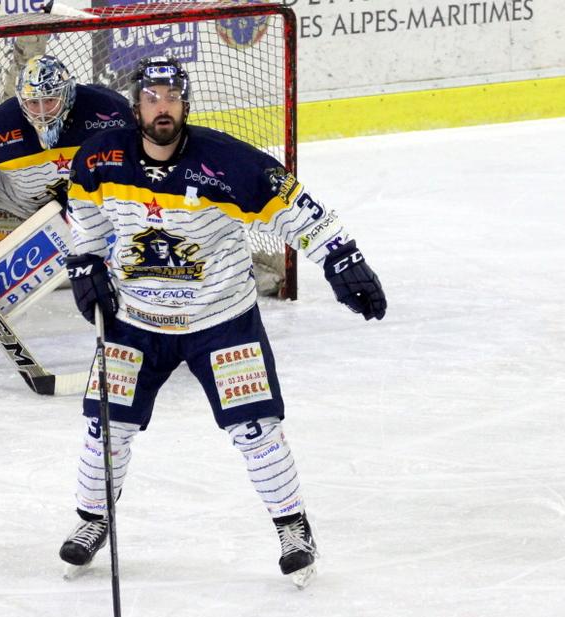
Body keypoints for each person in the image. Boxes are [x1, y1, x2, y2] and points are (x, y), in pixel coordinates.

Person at [58, 57, 387, 587]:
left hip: (220, 320)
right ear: (135, 106)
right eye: (151, 98)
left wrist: (341, 259)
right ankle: (93, 521)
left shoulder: (228, 163)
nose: (162, 108)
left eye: (171, 98)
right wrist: (85, 261)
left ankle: (293, 530)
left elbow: (299, 211)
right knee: (106, 425)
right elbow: (86, 215)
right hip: (134, 318)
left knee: (255, 429)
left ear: (186, 104)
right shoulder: (100, 158)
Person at [0, 54, 135, 252]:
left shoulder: (110, 110)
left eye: (49, 100)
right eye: (33, 103)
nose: (42, 113)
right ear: (22, 100)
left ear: (68, 94)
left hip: (87, 210)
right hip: (15, 212)